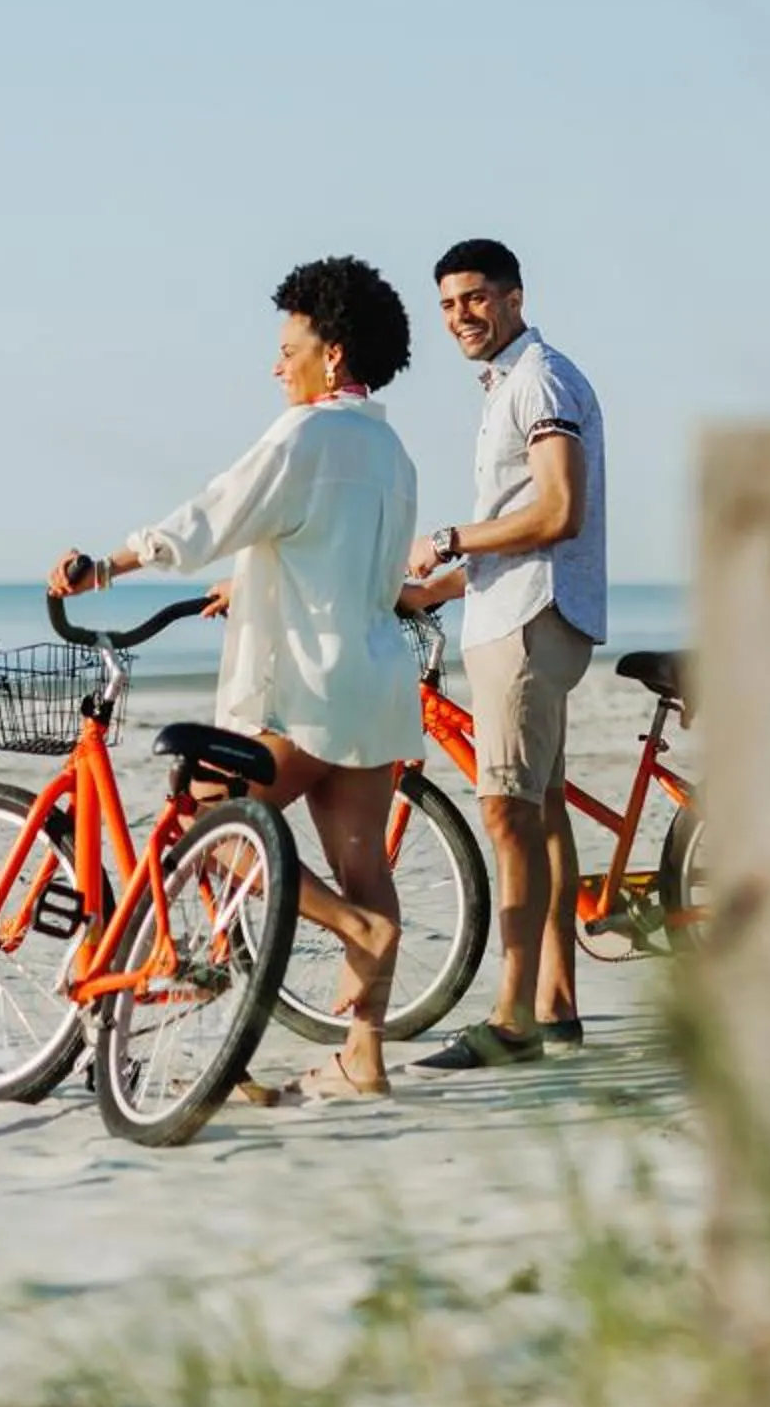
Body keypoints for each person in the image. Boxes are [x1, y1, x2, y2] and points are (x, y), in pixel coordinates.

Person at [48, 254, 422, 1103]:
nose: (277, 366)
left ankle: (345, 938)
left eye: (290, 349)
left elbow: (212, 513)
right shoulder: (391, 451)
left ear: (332, 354)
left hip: (305, 687)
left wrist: (106, 566)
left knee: (208, 824)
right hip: (373, 680)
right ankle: (363, 1057)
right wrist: (251, 581)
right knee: (364, 864)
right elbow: (333, 550)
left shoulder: (304, 435)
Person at [400, 237, 606, 1069]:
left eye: (476, 298)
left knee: (507, 815)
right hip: (515, 612)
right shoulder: (508, 387)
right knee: (541, 815)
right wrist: (436, 588)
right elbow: (521, 532)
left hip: (527, 625)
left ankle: (513, 1019)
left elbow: (559, 513)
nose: (461, 316)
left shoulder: (540, 381)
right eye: (449, 305)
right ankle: (555, 1005)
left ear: (515, 297)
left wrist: (449, 539)